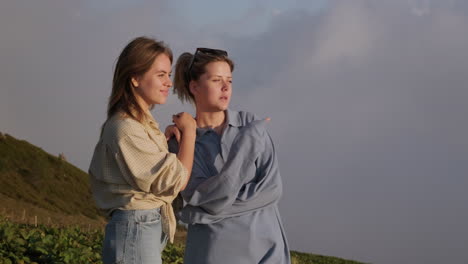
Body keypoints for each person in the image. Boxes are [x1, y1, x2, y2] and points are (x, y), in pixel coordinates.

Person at [167, 47, 291, 264]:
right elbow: (194, 195)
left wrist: (203, 213)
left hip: (267, 251)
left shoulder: (249, 124)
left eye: (229, 81)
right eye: (216, 80)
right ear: (194, 86)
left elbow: (272, 190)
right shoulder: (181, 142)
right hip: (212, 253)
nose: (226, 87)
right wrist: (247, 145)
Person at [88, 36, 196, 264]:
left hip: (141, 226)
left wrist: (163, 145)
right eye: (160, 75)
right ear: (135, 78)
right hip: (136, 227)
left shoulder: (138, 124)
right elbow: (175, 181)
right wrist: (190, 134)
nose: (168, 82)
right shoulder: (125, 127)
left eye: (168, 74)